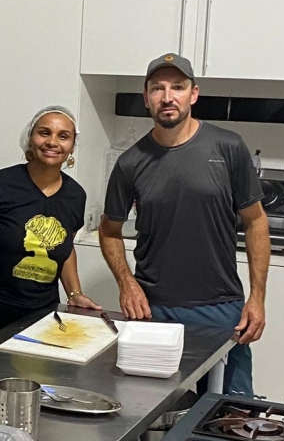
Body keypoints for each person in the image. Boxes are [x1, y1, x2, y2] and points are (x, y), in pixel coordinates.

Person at [99, 53, 270, 395]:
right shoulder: (130, 163)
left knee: (231, 411)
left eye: (177, 87)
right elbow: (109, 231)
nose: (167, 97)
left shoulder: (228, 147)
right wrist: (127, 283)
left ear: (193, 94)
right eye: (157, 88)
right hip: (153, 310)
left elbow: (256, 222)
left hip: (220, 308)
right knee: (147, 407)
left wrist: (257, 298)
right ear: (146, 97)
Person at [0, 106, 100, 346]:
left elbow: (65, 248)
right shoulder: (0, 184)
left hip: (40, 313)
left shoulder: (76, 195)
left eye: (63, 136)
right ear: (30, 138)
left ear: (72, 147)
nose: (52, 142)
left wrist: (74, 293)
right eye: (44, 133)